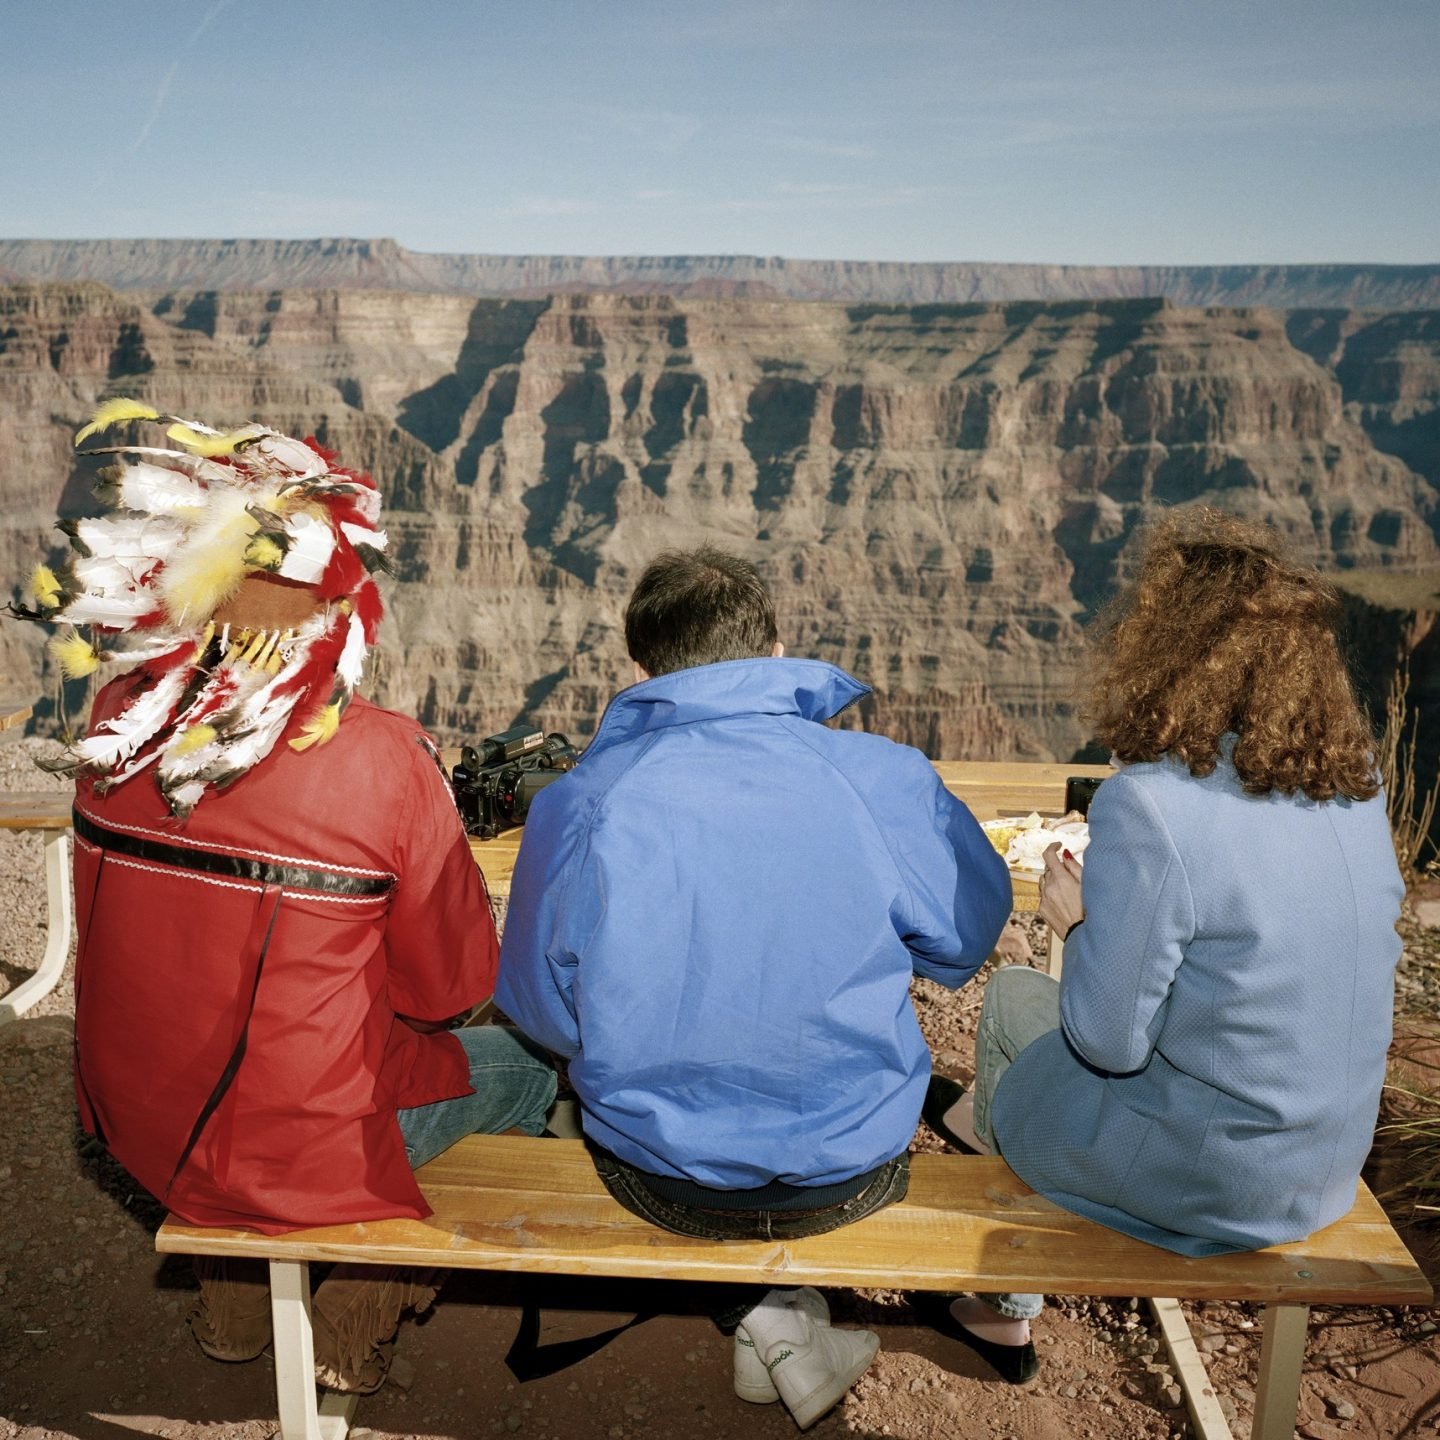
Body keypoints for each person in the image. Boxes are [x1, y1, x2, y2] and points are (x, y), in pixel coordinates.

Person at [20, 401, 556, 1393]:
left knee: (243, 1057)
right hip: (299, 1142)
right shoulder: (384, 757)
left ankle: (232, 1310)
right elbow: (446, 992)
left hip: (140, 1114)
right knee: (522, 1067)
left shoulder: (114, 722)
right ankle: (355, 1322)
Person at [496, 544, 1012, 1430]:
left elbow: (543, 1011)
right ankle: (787, 1315)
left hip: (659, 1177)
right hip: (853, 1172)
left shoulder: (581, 802)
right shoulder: (881, 778)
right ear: (776, 650)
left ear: (640, 669)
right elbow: (964, 936)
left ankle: (766, 1315)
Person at [922, 506, 1404, 1383]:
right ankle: (977, 1122)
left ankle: (1004, 1313)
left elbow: (1108, 1042)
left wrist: (1076, 921)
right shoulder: (1358, 783)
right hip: (1328, 1159)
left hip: (1221, 1180)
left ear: (1167, 651)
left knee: (1011, 1005)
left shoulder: (1152, 804)